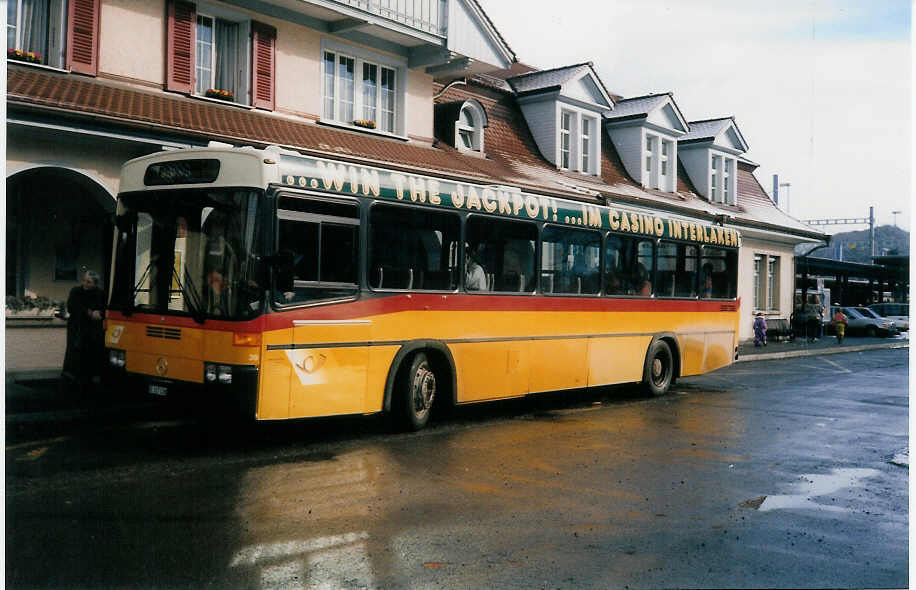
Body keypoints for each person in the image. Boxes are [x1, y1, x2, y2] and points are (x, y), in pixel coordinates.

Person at [63, 270, 106, 394]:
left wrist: (99, 313)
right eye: (84, 281)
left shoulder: (100, 293)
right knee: (74, 355)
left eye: (89, 282)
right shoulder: (76, 291)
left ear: (95, 284)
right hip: (77, 328)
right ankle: (71, 384)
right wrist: (89, 312)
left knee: (90, 355)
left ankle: (88, 385)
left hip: (92, 330)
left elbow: (103, 308)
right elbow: (72, 307)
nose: (85, 284)